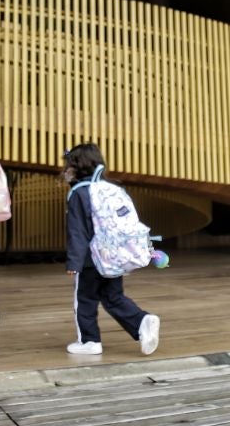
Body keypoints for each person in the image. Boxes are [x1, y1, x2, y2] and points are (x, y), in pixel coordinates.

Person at [63, 143, 160, 356]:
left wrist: (74, 262)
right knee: (113, 297)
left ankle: (89, 341)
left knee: (85, 298)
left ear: (77, 167)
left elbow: (77, 232)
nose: (66, 169)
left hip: (90, 259)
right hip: (113, 256)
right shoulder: (112, 188)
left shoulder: (79, 193)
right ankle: (141, 320)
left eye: (69, 165)